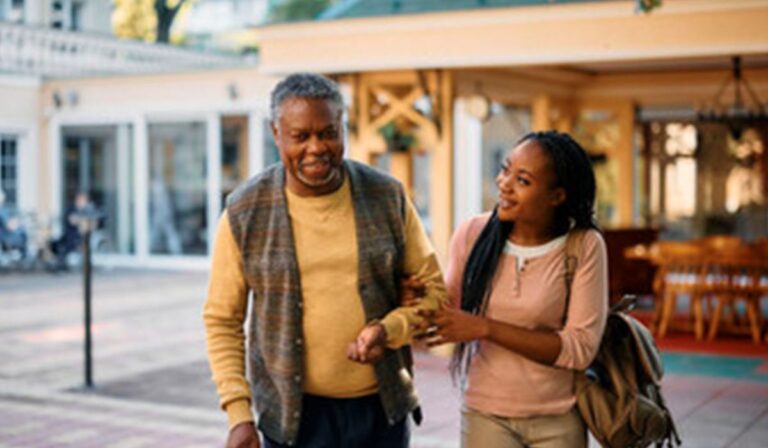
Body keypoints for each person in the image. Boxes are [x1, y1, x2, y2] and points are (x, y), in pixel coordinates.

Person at [203, 73, 446, 448]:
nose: (316, 147)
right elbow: (222, 319)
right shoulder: (244, 211)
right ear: (276, 133)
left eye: (328, 133)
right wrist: (238, 415)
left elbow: (434, 293)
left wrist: (391, 329)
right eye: (300, 136)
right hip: (292, 419)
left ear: (342, 129)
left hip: (381, 410)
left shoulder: (387, 196)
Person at [421, 131, 608, 448]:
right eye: (505, 170)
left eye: (522, 180)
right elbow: (441, 317)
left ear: (556, 196)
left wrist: (485, 328)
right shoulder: (473, 233)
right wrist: (418, 302)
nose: (503, 183)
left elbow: (579, 349)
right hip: (485, 415)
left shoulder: (584, 245)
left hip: (558, 419)